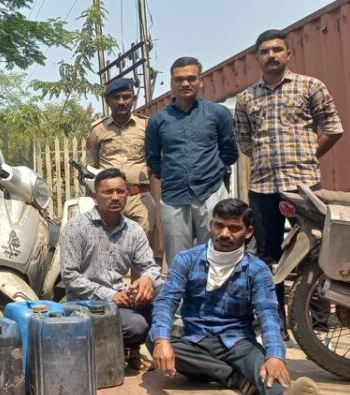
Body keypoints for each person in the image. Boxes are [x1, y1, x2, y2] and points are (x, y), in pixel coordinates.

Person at [149, 198, 320, 395]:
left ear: (248, 232)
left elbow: (268, 314)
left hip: (238, 343)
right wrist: (162, 340)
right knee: (154, 339)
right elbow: (166, 300)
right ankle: (235, 377)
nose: (224, 234)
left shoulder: (257, 269)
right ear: (211, 225)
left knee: (262, 364)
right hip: (195, 342)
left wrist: (275, 356)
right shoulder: (187, 259)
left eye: (234, 228)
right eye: (219, 225)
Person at [235, 29, 343, 336]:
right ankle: (275, 323)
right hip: (263, 187)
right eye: (265, 51)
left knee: (315, 250)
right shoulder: (246, 98)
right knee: (267, 256)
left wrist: (308, 155)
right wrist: (268, 159)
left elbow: (333, 128)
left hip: (304, 184)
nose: (271, 55)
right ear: (257, 58)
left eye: (277, 50)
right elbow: (244, 141)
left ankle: (316, 323)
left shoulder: (310, 86)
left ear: (288, 54)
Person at [61, 168, 162, 367]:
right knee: (136, 326)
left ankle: (157, 348)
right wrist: (110, 295)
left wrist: (146, 280)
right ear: (95, 196)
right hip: (86, 305)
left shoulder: (134, 230)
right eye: (108, 192)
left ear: (127, 194)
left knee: (163, 291)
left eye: (121, 191)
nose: (115, 197)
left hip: (123, 298)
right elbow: (70, 276)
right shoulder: (75, 228)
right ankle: (115, 349)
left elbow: (150, 267)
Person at [146, 57, 239, 266]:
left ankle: (217, 289)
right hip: (174, 196)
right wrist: (172, 175)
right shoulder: (158, 120)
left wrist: (211, 171)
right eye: (179, 79)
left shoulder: (218, 113)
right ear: (171, 83)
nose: (185, 84)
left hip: (211, 192)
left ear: (201, 81)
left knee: (217, 254)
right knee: (179, 261)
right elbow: (152, 158)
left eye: (191, 78)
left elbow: (230, 152)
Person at [87, 78, 155, 234]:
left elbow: (155, 160)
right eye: (116, 98)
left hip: (139, 198)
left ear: (134, 99)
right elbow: (90, 167)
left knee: (141, 243)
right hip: (109, 200)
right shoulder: (97, 130)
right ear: (107, 101)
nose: (121, 102)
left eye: (126, 97)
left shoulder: (146, 126)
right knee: (106, 242)